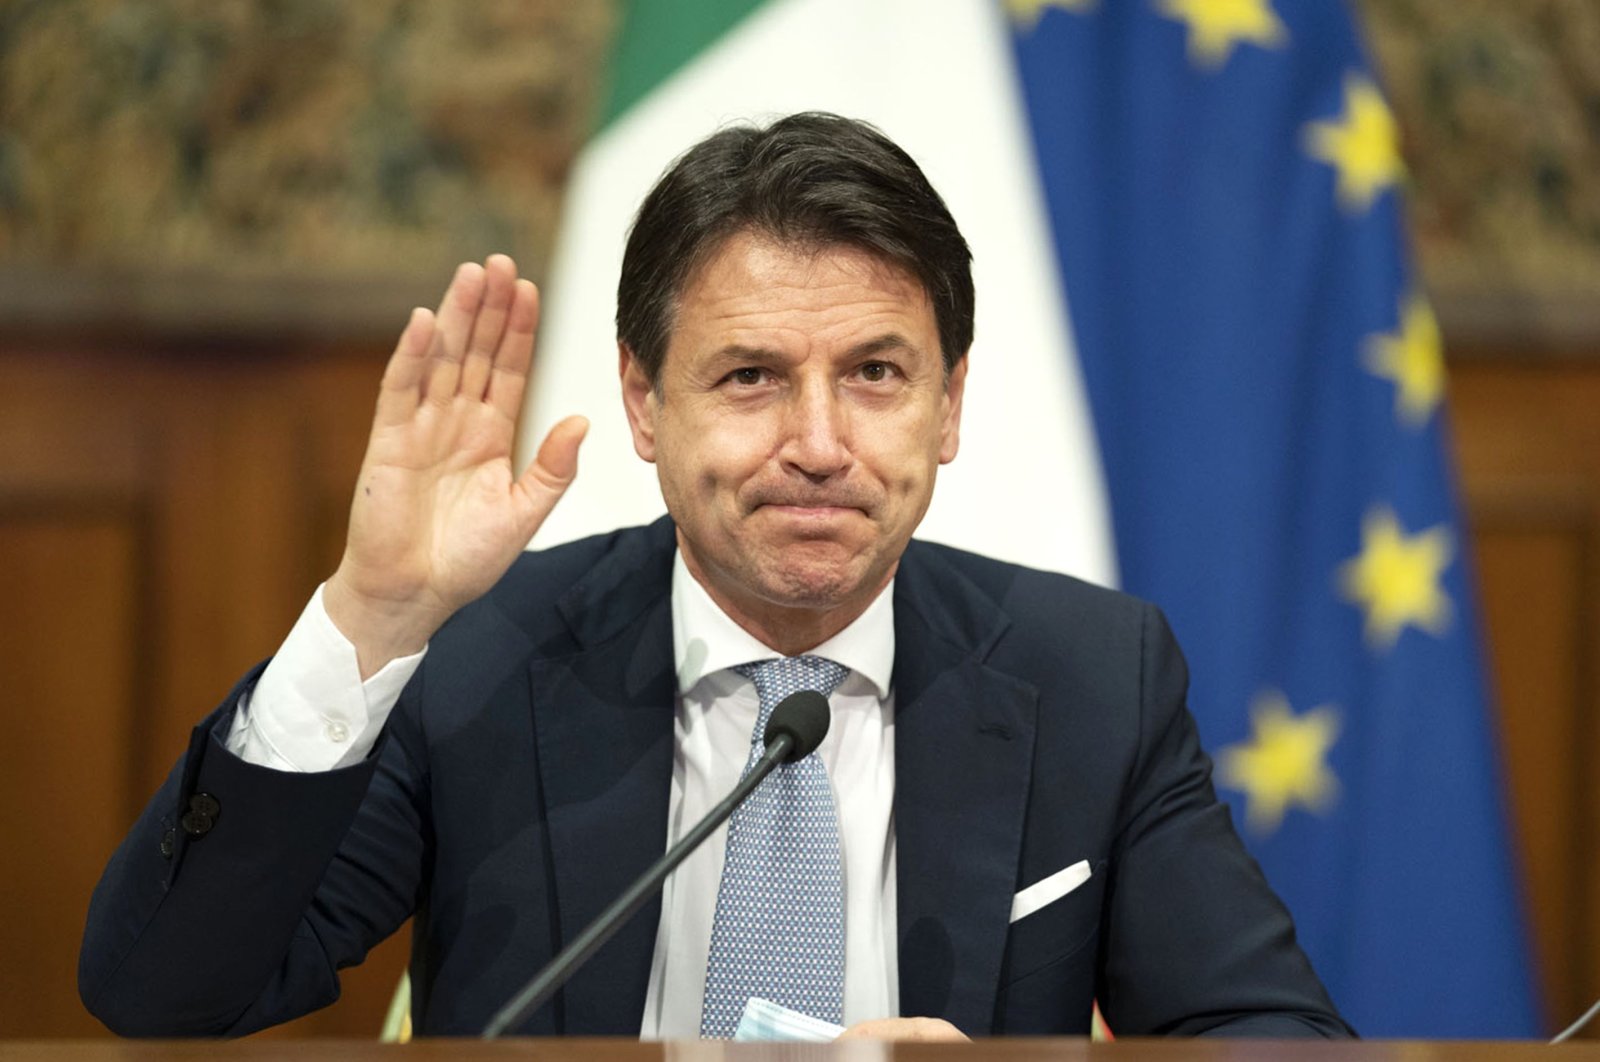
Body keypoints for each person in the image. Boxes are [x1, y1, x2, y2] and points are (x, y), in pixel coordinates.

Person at [79, 113, 1352, 1040]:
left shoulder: (1092, 674)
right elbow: (166, 996)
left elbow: (1265, 1033)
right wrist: (376, 615)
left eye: (875, 374)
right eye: (750, 376)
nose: (816, 441)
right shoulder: (479, 654)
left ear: (949, 405)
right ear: (643, 401)